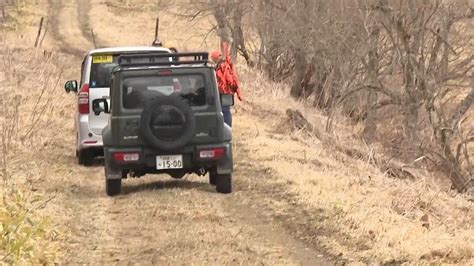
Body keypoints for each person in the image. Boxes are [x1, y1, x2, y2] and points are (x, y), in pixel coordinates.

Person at [210, 42, 243, 127]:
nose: (212, 60)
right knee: (225, 110)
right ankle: (225, 126)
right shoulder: (221, 65)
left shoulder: (223, 66)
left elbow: (225, 79)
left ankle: (227, 127)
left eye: (213, 58)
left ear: (215, 58)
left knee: (225, 110)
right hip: (225, 92)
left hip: (225, 92)